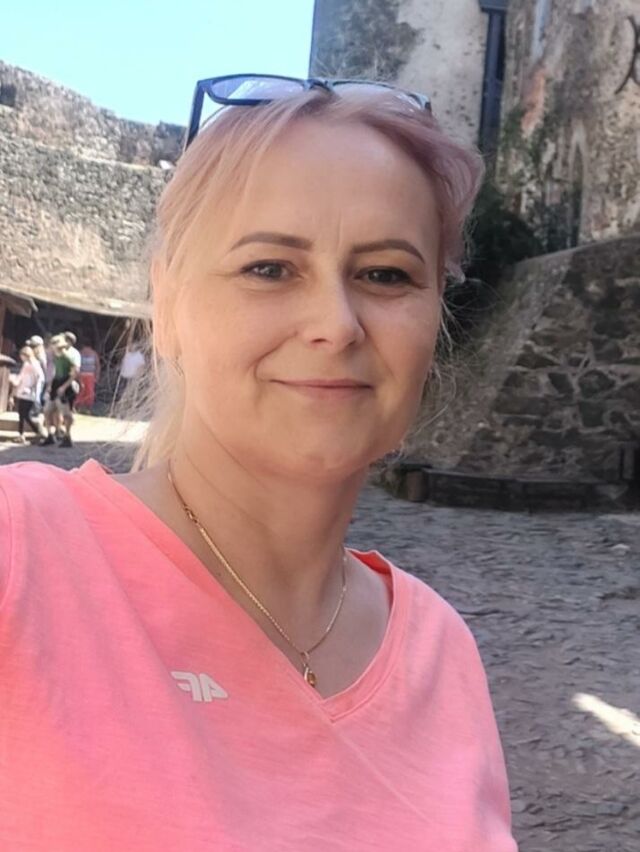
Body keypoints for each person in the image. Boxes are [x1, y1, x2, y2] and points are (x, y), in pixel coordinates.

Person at [0, 77, 517, 851]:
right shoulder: (24, 549)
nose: (336, 324)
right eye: (270, 268)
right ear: (168, 307)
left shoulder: (441, 650)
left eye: (385, 274)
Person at [41, 333, 80, 447]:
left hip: (66, 384)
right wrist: (50, 385)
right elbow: (55, 372)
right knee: (47, 410)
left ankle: (67, 436)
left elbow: (75, 373)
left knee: (66, 412)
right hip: (56, 383)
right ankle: (50, 435)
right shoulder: (56, 357)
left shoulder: (68, 357)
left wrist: (64, 386)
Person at [9, 345, 46, 443]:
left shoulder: (35, 365)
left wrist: (34, 389)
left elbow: (39, 378)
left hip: (29, 393)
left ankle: (39, 431)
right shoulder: (26, 364)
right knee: (21, 414)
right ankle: (21, 434)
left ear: (25, 355)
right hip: (22, 391)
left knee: (26, 415)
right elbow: (21, 377)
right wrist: (15, 382)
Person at [77, 340, 101, 410]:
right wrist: (97, 375)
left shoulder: (92, 354)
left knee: (87, 391)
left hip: (87, 375)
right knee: (84, 390)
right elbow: (98, 366)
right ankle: (80, 406)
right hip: (85, 375)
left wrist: (97, 375)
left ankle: (86, 406)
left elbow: (97, 365)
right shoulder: (81, 353)